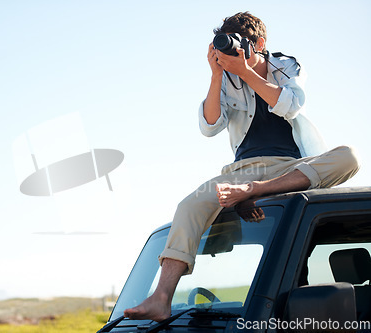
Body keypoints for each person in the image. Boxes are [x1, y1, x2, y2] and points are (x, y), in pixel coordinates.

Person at [124, 12, 360, 322]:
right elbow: (209, 126)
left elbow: (290, 104)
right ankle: (161, 297)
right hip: (240, 172)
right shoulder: (226, 77)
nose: (232, 52)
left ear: (260, 44)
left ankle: (253, 193)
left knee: (349, 157)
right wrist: (217, 74)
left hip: (291, 168)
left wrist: (246, 71)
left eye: (240, 44)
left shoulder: (286, 65)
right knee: (189, 206)